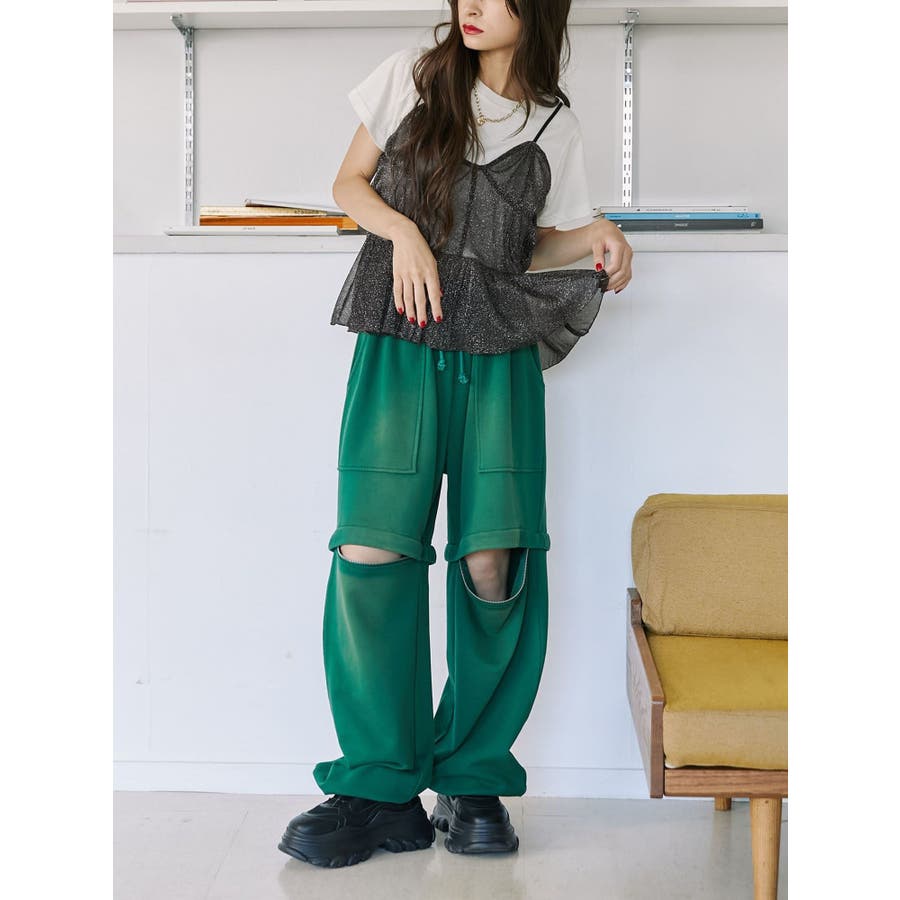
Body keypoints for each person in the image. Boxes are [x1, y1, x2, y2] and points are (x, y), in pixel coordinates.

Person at [278, 0, 633, 870]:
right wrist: (402, 231)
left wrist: (596, 236)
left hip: (498, 353)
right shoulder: (414, 75)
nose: (472, 3)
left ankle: (471, 776)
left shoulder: (554, 124)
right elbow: (349, 183)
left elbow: (526, 249)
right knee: (372, 549)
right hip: (398, 336)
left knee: (493, 561)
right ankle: (378, 788)